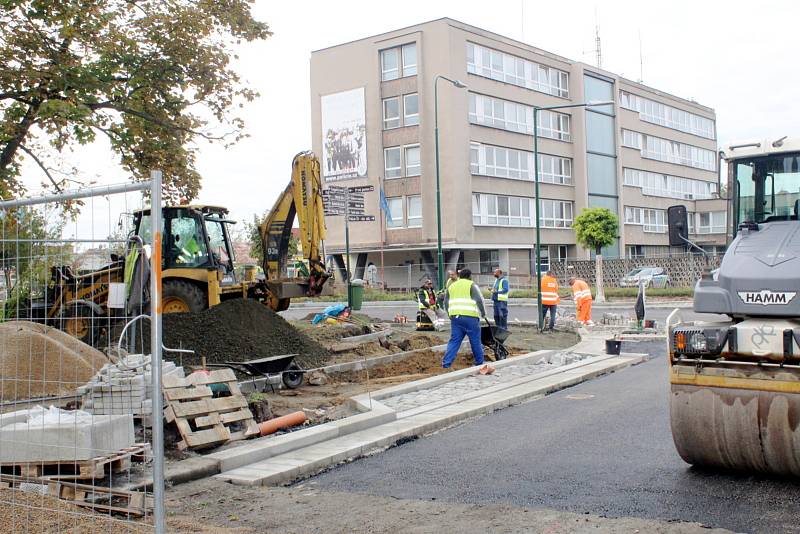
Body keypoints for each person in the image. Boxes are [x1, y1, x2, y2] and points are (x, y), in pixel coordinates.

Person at [442, 268, 486, 368]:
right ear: (469, 276)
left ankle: (446, 363)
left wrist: (449, 313)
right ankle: (479, 362)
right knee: (475, 340)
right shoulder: (471, 285)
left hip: (456, 318)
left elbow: (445, 301)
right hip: (470, 318)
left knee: (454, 340)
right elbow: (478, 300)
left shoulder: (452, 286)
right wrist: (483, 313)